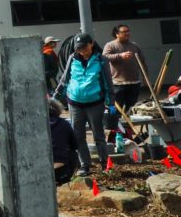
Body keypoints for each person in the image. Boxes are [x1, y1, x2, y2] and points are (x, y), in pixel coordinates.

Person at [53, 32, 112, 179]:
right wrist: (55, 96)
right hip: (75, 103)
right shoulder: (72, 58)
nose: (82, 51)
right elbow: (65, 78)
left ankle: (105, 164)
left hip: (95, 103)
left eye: (84, 47)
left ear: (91, 43)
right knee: (78, 136)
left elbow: (108, 82)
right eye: (79, 48)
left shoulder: (101, 59)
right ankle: (85, 165)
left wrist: (110, 102)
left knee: (98, 135)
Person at [102, 24, 147, 135]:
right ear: (117, 34)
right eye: (124, 32)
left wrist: (145, 77)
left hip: (134, 83)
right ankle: (115, 132)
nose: (127, 33)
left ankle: (127, 132)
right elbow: (104, 57)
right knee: (115, 109)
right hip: (117, 83)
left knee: (131, 108)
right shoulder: (110, 45)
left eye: (128, 31)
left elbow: (142, 62)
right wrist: (120, 56)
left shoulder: (134, 46)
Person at [47, 97, 81, 184]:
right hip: (62, 168)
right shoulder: (64, 124)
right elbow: (75, 145)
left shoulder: (36, 126)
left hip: (43, 168)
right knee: (73, 153)